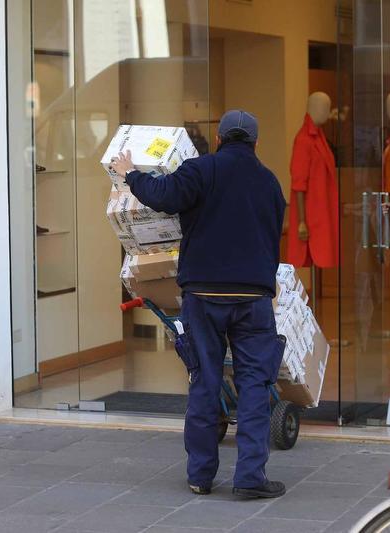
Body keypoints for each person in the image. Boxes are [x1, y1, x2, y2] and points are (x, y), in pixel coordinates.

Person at [110, 110, 287, 498]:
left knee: (205, 381)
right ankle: (250, 478)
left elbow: (162, 196)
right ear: (255, 144)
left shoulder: (201, 170)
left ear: (220, 139)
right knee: (255, 384)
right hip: (252, 296)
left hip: (203, 295)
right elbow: (275, 235)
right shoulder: (269, 182)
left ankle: (200, 477)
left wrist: (130, 173)